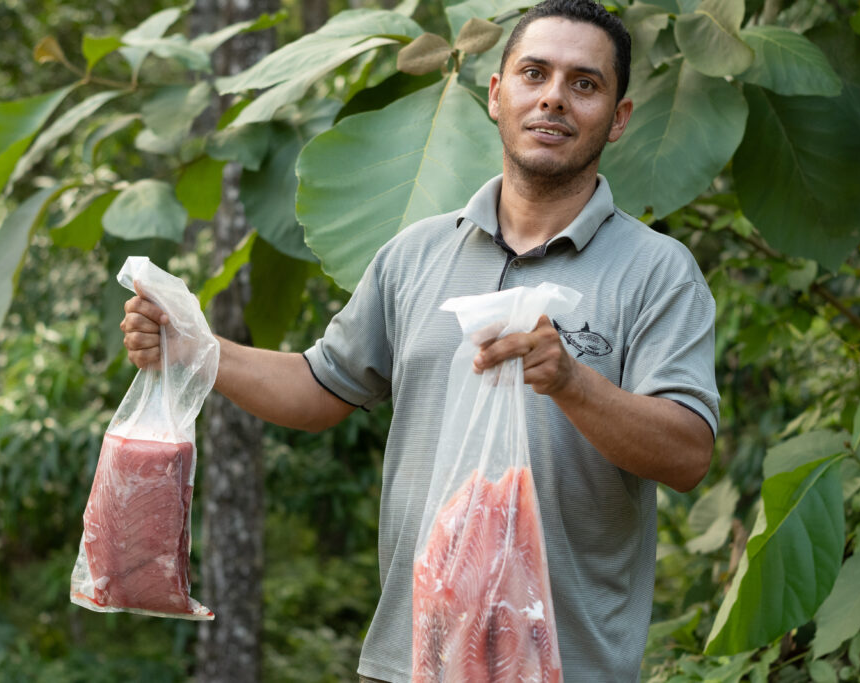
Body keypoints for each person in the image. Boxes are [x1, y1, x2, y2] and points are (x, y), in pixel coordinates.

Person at [122, 0, 719, 680]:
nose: (554, 97)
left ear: (618, 119)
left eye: (584, 84)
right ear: (496, 95)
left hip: (565, 667)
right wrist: (198, 347)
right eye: (533, 73)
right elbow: (321, 387)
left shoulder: (656, 271)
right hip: (413, 660)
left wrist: (571, 381)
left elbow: (687, 454)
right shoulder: (416, 254)